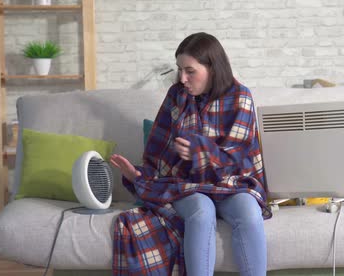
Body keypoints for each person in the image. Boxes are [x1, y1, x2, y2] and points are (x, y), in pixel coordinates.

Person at [110, 32, 271, 276]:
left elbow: (236, 157)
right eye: (179, 70)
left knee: (249, 212)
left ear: (213, 68)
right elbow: (158, 153)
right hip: (186, 184)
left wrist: (200, 150)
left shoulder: (241, 97)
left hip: (232, 183)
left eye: (190, 71)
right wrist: (137, 174)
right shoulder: (176, 96)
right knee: (201, 211)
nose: (183, 78)